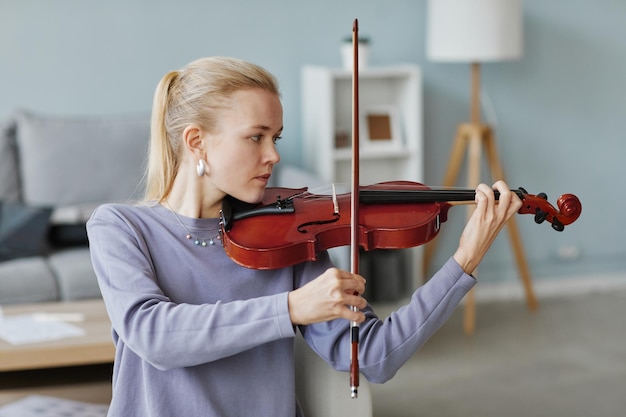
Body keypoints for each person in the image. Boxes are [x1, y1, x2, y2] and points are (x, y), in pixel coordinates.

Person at [86, 56, 522, 417]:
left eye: (274, 137)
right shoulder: (121, 227)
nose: (273, 154)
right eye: (255, 137)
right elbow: (155, 336)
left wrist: (464, 260)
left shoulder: (286, 238)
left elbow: (375, 356)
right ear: (197, 142)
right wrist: (291, 308)